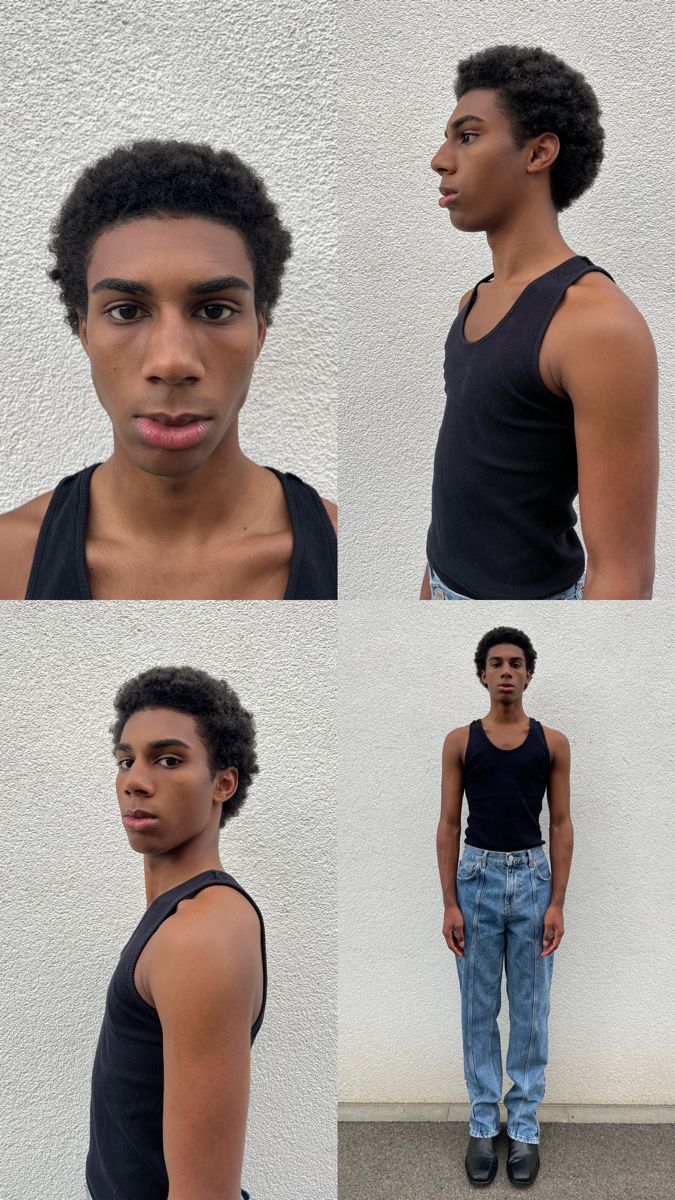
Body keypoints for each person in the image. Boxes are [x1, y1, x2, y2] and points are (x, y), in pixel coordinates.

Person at [0, 140, 337, 600]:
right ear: (84, 330)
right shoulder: (8, 557)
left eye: (215, 311)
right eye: (125, 312)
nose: (172, 362)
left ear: (260, 329)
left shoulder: (343, 547)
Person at [422, 45, 658, 601]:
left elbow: (624, 574)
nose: (440, 158)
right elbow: (464, 488)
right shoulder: (471, 303)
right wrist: (431, 587)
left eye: (468, 135)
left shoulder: (597, 325)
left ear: (539, 152)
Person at [85, 666, 265, 1200]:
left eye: (168, 760)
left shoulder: (200, 936)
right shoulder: (183, 915)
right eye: (125, 760)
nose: (135, 780)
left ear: (223, 783)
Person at [437, 627, 573, 1187]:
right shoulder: (460, 741)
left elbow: (561, 823)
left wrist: (557, 901)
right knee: (478, 1006)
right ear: (482, 674)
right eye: (496, 663)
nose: (507, 672)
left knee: (531, 1009)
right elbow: (447, 823)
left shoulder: (554, 743)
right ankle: (481, 1120)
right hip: (477, 878)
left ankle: (522, 1126)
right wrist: (449, 901)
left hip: (534, 879)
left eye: (516, 663)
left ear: (529, 673)